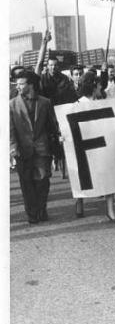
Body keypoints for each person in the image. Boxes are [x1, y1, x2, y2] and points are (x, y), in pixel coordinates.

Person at [10, 70, 59, 224]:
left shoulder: (45, 102)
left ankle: (41, 209)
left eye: (21, 83)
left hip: (42, 149)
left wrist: (56, 141)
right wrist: (13, 149)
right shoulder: (11, 105)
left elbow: (52, 126)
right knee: (27, 183)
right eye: (17, 84)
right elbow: (9, 130)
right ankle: (32, 213)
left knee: (43, 181)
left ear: (30, 84)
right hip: (22, 150)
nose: (18, 86)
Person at [72, 72, 115, 223]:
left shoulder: (104, 102)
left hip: (102, 143)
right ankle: (79, 202)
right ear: (93, 86)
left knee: (109, 174)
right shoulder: (78, 104)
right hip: (85, 145)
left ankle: (110, 210)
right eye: (100, 85)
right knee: (83, 175)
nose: (102, 87)